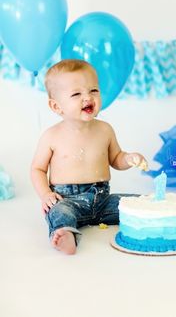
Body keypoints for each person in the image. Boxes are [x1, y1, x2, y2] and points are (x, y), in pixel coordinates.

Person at [31, 59, 148, 255]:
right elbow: (38, 169)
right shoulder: (51, 136)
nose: (88, 97)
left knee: (136, 204)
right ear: (56, 106)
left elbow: (115, 158)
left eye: (93, 90)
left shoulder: (105, 129)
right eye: (77, 94)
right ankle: (66, 234)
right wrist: (46, 195)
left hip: (102, 199)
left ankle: (163, 208)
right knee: (59, 213)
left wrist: (128, 158)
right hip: (67, 199)